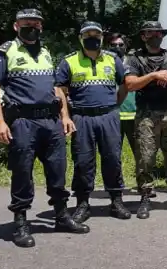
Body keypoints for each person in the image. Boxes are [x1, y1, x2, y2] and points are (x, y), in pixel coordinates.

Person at [0, 8, 89, 248]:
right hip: (23, 122)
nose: (31, 26)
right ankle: (21, 221)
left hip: (51, 122)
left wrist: (64, 115)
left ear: (41, 27)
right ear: (16, 26)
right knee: (22, 171)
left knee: (57, 171)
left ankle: (62, 216)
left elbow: (57, 88)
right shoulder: (6, 51)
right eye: (26, 23)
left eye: (36, 23)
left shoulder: (45, 52)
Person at [55, 21, 131, 222]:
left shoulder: (113, 59)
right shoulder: (68, 62)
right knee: (82, 161)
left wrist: (114, 105)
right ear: (81, 38)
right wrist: (65, 116)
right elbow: (59, 90)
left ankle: (116, 201)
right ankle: (82, 204)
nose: (92, 39)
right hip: (82, 118)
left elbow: (125, 85)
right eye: (87, 35)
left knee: (113, 158)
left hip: (108, 116)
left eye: (95, 35)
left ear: (102, 38)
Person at [124, 21, 167, 217]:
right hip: (146, 113)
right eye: (150, 34)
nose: (155, 37)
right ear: (143, 36)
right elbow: (130, 84)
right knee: (145, 158)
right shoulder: (135, 58)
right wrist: (153, 76)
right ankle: (145, 196)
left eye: (158, 34)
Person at [109, 34, 137, 160]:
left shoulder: (133, 62)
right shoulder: (104, 63)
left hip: (133, 114)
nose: (117, 47)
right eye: (113, 45)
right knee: (113, 153)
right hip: (113, 115)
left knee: (140, 153)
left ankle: (144, 178)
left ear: (125, 46)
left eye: (121, 45)